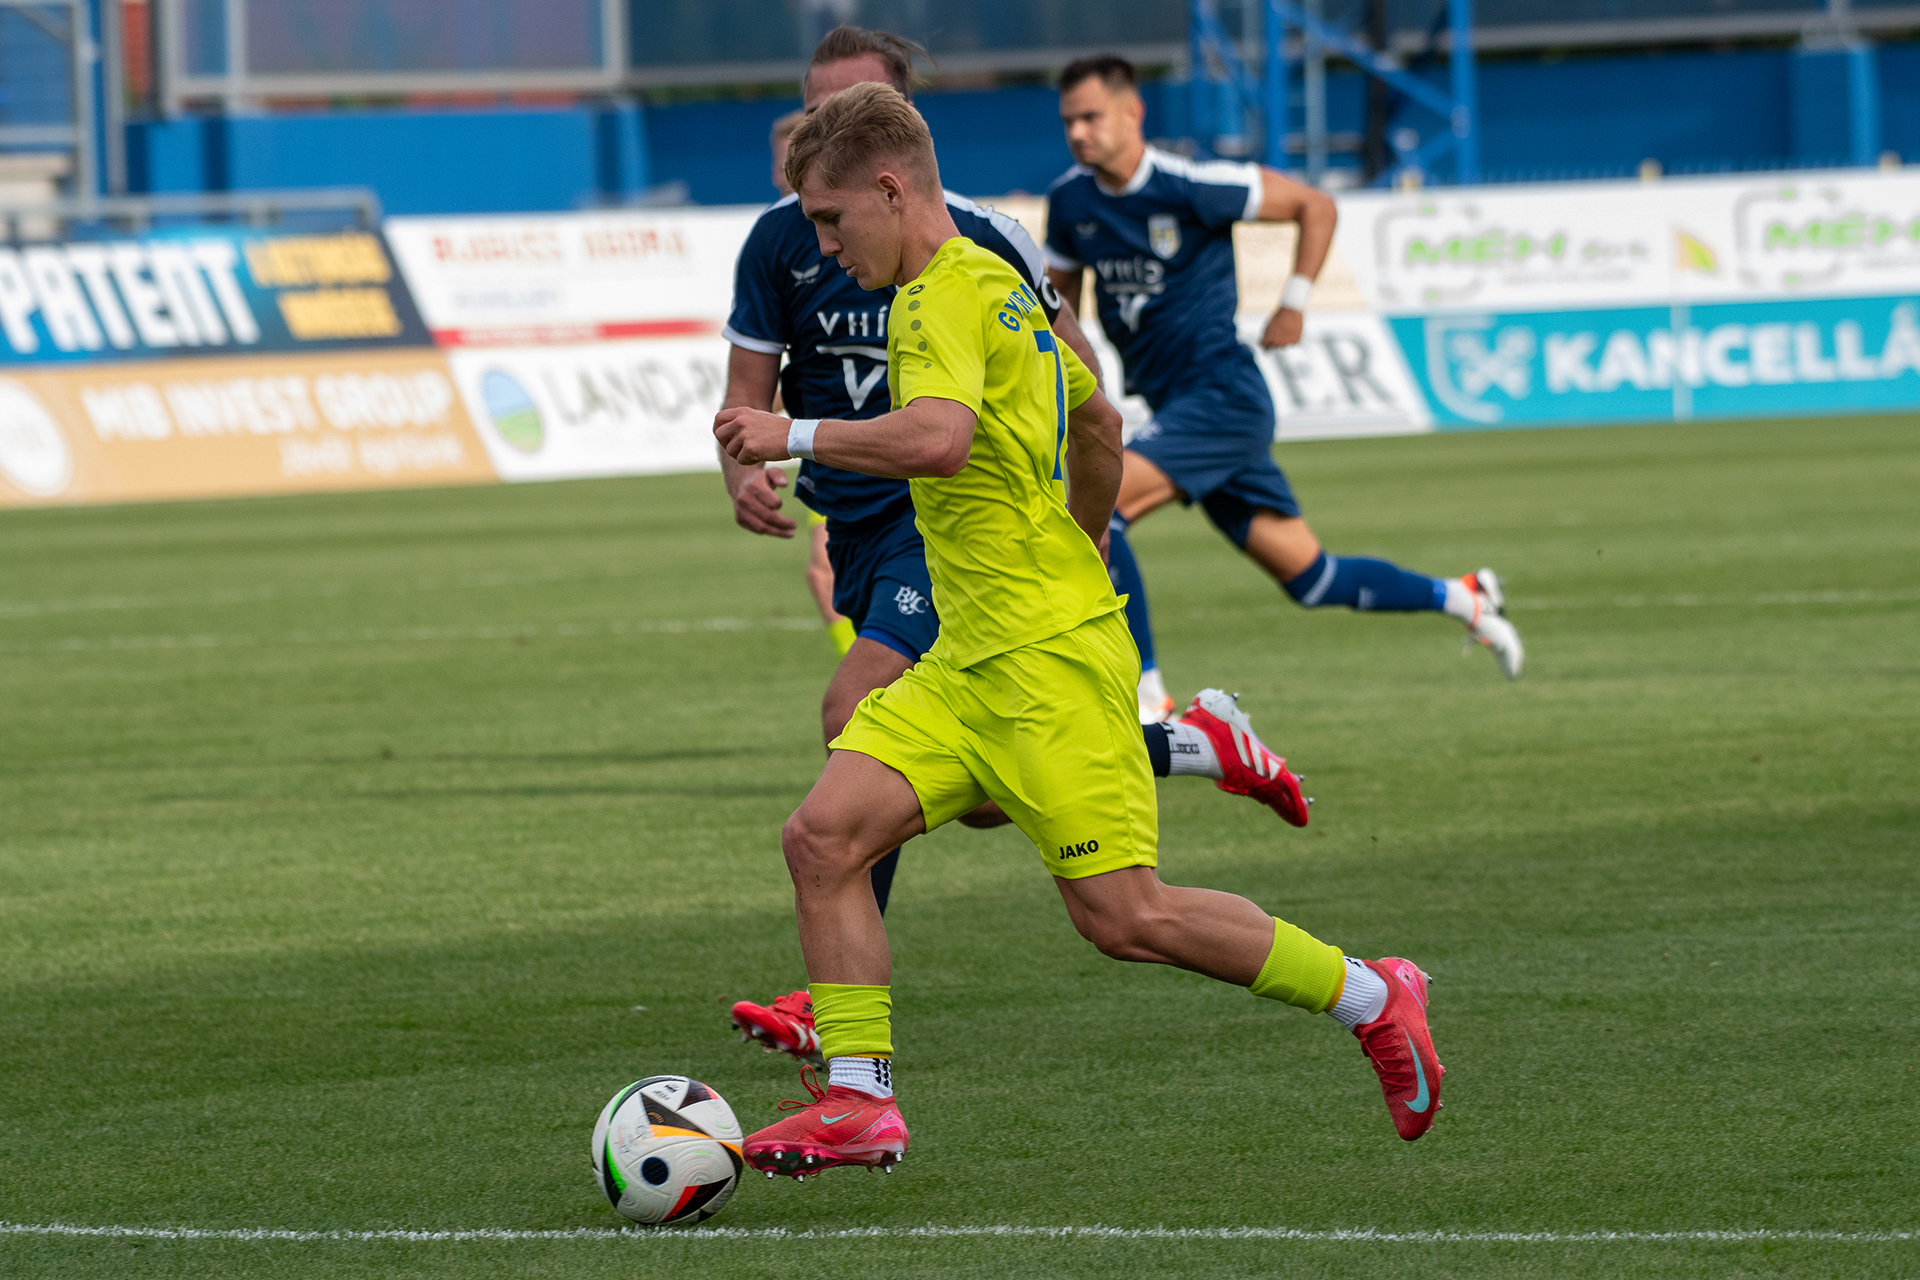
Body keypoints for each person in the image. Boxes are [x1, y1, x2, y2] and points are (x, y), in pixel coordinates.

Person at [714, 82, 1446, 1177]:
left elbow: (939, 439)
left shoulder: (936, 298)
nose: (821, 245)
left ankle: (1372, 992)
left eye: (830, 218)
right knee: (822, 839)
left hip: (1046, 662)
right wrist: (1088, 534)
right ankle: (861, 1098)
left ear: (889, 189)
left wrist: (793, 432)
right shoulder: (994, 283)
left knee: (1126, 918)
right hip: (969, 657)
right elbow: (1097, 416)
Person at [721, 29, 1311, 1063]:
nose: (824, 124)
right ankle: (1187, 744)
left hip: (941, 530)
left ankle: (841, 1025)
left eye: (846, 107)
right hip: (864, 525)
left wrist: (1079, 521)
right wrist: (751, 468)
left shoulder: (980, 250)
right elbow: (748, 391)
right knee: (998, 803)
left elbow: (1072, 396)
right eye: (813, 107)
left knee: (850, 719)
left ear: (896, 134)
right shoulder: (789, 239)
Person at [1043, 55, 1524, 693]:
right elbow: (1060, 310)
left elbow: (1315, 205)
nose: (1078, 133)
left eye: (1091, 117)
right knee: (1312, 578)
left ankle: (1148, 695)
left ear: (1134, 112)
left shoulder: (1194, 185)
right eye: (1069, 121)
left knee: (1102, 508)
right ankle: (1465, 597)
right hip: (1177, 407)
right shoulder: (1070, 201)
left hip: (1222, 397)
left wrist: (1293, 302)